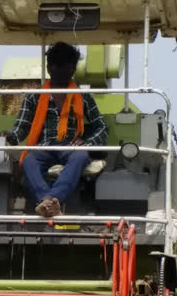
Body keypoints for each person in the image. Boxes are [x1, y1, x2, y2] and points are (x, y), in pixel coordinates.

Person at [6, 42, 108, 216]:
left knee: (81, 155)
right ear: (49, 67)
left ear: (73, 70)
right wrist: (10, 137)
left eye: (67, 67)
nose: (62, 71)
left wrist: (87, 143)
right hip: (43, 147)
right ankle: (49, 203)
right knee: (29, 159)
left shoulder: (83, 97)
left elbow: (101, 128)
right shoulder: (34, 96)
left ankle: (49, 200)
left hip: (70, 146)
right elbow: (21, 127)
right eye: (57, 66)